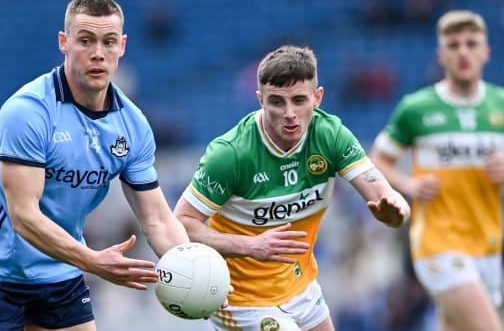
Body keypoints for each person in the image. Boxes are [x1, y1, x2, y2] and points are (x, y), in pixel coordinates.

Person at [0, 0, 189, 331]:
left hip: (60, 269)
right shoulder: (28, 112)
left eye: (108, 42)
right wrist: (93, 261)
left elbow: (157, 219)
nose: (97, 53)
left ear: (122, 46)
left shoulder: (133, 126)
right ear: (64, 42)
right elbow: (24, 216)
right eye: (85, 40)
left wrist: (194, 268)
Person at [174, 45, 410, 331]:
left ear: (317, 98)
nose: (289, 113)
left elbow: (383, 193)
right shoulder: (230, 154)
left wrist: (395, 213)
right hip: (241, 300)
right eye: (276, 102)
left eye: (299, 100)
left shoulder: (330, 136)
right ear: (260, 99)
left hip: (301, 287)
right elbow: (183, 223)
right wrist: (251, 245)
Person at [370, 10, 504, 331]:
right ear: (441, 54)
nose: (463, 52)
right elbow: (376, 161)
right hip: (438, 243)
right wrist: (409, 184)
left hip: (489, 245)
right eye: (453, 45)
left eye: (471, 44)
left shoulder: (500, 105)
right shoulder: (417, 109)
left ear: (486, 52)